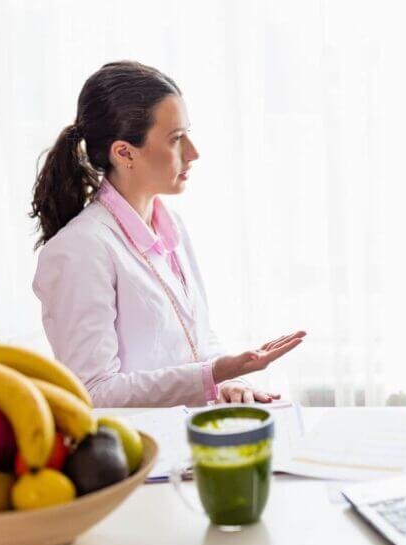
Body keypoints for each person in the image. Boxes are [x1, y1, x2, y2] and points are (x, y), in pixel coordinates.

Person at [31, 61, 305, 407]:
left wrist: (229, 381)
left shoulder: (170, 226)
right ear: (124, 153)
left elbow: (196, 339)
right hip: (139, 453)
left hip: (189, 439)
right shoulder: (80, 250)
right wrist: (213, 374)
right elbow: (93, 393)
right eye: (176, 139)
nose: (193, 152)